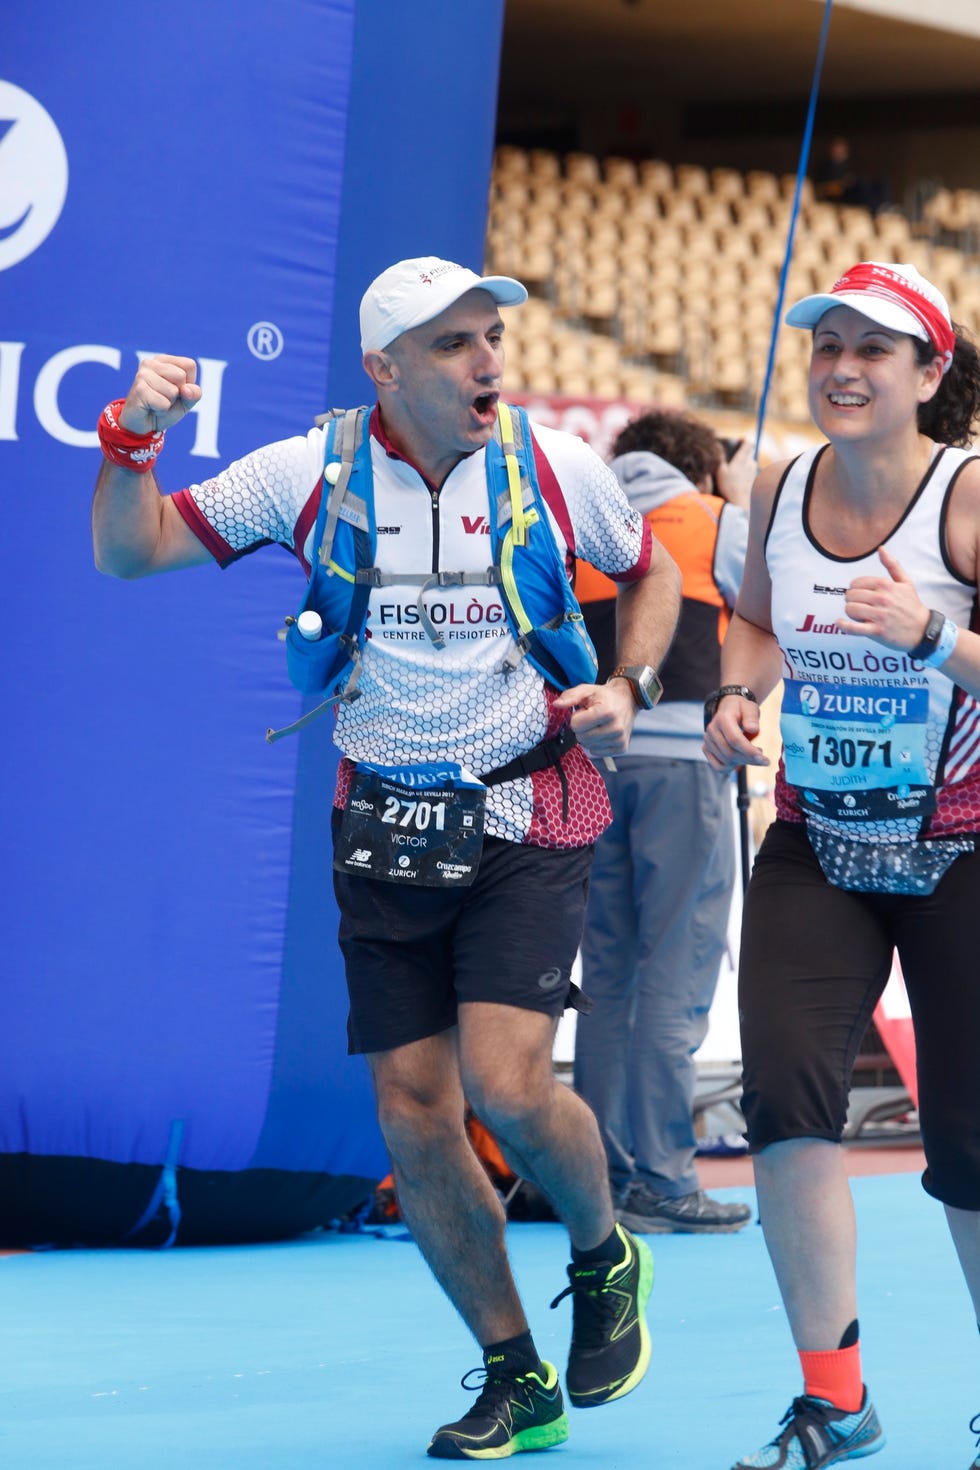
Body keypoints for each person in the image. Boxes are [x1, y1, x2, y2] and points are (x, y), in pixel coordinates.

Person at [91, 256, 682, 1460]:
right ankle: (517, 1375)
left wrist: (628, 682)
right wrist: (128, 438)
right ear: (385, 369)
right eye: (456, 343)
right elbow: (131, 550)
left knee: (507, 1086)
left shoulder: (554, 465)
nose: (487, 361)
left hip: (526, 807)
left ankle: (600, 1246)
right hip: (389, 825)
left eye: (490, 336)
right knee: (414, 1115)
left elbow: (651, 570)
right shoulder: (307, 469)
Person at [703, 259, 980, 1468]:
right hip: (816, 842)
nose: (841, 368)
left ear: (928, 374)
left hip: (964, 846)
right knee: (784, 1104)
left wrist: (930, 631)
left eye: (873, 350)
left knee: (970, 1139)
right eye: (826, 346)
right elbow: (756, 620)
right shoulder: (778, 487)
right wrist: (733, 693)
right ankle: (834, 1397)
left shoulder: (966, 500)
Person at [573, 410, 756, 1235]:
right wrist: (740, 492)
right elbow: (772, 619)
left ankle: (599, 1178)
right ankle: (664, 1179)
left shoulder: (586, 524)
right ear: (699, 464)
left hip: (592, 766)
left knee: (608, 975)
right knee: (674, 973)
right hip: (685, 765)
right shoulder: (715, 519)